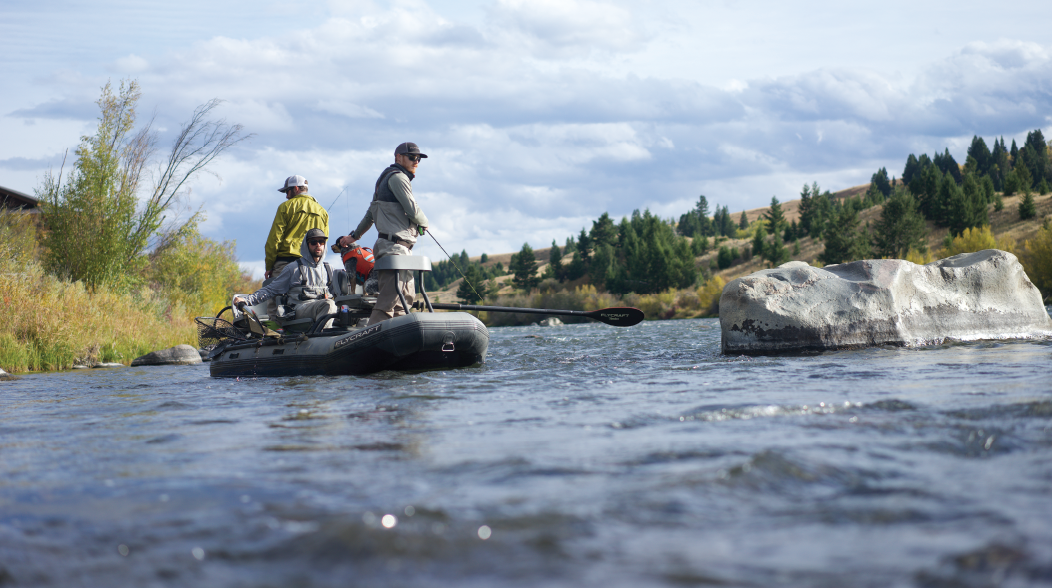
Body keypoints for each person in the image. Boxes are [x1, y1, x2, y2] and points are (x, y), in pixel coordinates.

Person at [338, 142, 429, 324]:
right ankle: (372, 335)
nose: (416, 161)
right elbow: (412, 209)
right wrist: (424, 223)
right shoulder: (398, 178)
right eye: (412, 157)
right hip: (394, 248)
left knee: (404, 299)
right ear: (398, 157)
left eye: (419, 158)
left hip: (398, 249)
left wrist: (354, 236)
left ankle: (400, 337)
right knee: (390, 298)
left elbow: (371, 214)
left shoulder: (383, 180)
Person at [236, 229, 342, 329]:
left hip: (322, 309)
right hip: (300, 309)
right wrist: (246, 300)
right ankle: (321, 339)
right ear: (307, 245)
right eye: (313, 242)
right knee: (329, 304)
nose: (318, 245)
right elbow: (270, 289)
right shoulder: (294, 268)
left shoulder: (329, 269)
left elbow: (340, 295)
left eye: (321, 242)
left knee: (343, 308)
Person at [264, 175, 330, 318]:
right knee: (309, 302)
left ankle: (276, 337)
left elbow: (274, 240)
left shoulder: (285, 207)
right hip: (311, 267)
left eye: (287, 191)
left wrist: (269, 266)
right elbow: (324, 241)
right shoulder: (322, 211)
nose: (287, 196)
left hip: (285, 263)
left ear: (295, 189)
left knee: (276, 304)